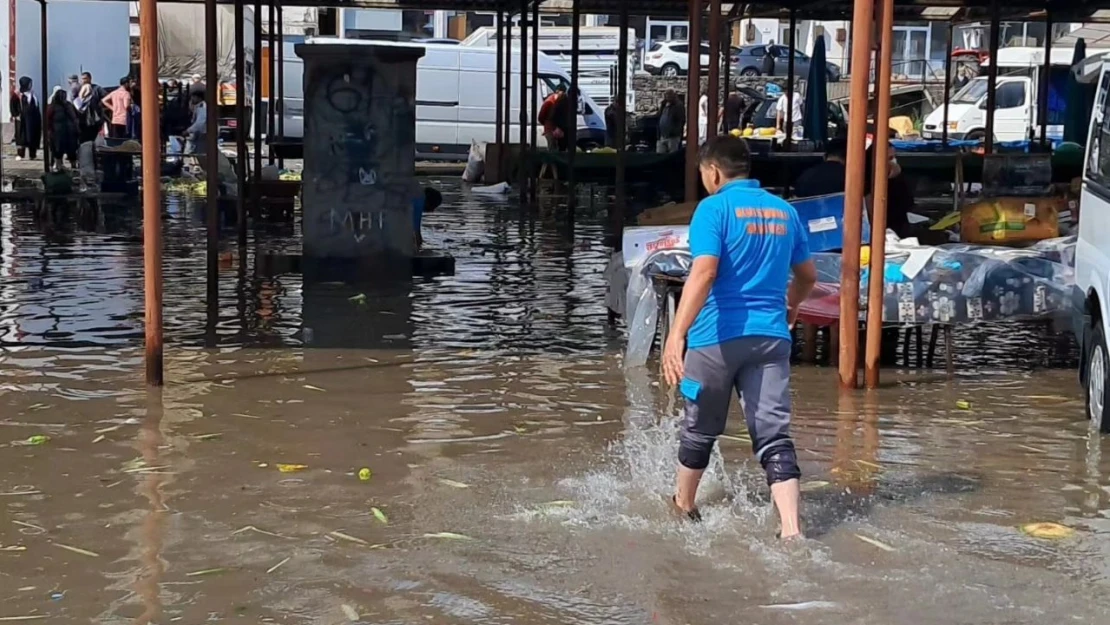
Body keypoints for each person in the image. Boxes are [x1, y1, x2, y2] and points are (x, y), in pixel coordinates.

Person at [661, 136, 817, 539]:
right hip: (770, 338)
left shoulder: (712, 209)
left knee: (700, 427)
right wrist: (791, 306)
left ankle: (685, 506)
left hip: (716, 336)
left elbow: (705, 271)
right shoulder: (785, 212)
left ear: (713, 171)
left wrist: (676, 333)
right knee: (773, 434)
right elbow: (807, 277)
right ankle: (791, 529)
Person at [46, 86, 80, 169]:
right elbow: (48, 119)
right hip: (58, 132)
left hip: (68, 132)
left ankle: (72, 165)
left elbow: (74, 117)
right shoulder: (53, 106)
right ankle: (59, 165)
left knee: (70, 149)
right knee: (58, 150)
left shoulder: (68, 105)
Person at [10, 76, 42, 160]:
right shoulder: (17, 95)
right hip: (22, 120)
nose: (30, 86)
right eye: (29, 84)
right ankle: (21, 154)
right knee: (21, 136)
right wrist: (16, 115)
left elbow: (35, 105)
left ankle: (32, 154)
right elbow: (13, 105)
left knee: (32, 136)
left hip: (32, 119)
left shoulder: (32, 94)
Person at [656, 89, 685, 154]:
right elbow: (659, 116)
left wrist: (675, 131)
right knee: (660, 154)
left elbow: (681, 119)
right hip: (662, 135)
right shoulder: (664, 104)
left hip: (673, 137)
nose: (667, 96)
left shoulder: (678, 105)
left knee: (672, 155)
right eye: (666, 94)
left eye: (669, 94)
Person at [537, 85, 566, 150]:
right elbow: (541, 116)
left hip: (555, 128)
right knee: (552, 147)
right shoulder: (549, 102)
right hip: (551, 128)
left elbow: (541, 117)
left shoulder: (558, 101)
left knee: (554, 147)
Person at [184, 89, 207, 154]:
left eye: (193, 97)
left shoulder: (202, 107)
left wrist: (188, 130)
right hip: (202, 132)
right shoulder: (198, 106)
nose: (192, 99)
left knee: (201, 151)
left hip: (204, 132)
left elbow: (200, 122)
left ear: (198, 98)